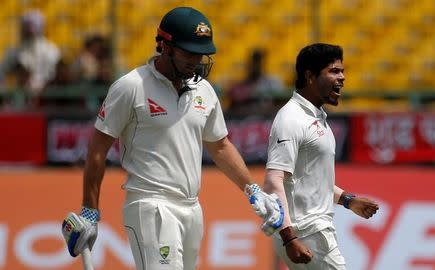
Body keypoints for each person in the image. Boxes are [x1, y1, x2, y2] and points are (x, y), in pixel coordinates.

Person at [61, 7, 283, 270]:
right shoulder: (131, 86)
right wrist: (89, 210)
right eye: (189, 52)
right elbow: (98, 148)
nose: (196, 61)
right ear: (165, 46)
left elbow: (220, 146)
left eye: (201, 54)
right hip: (150, 205)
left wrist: (253, 190)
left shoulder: (205, 90)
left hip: (191, 208)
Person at [263, 43, 379, 269]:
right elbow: (273, 181)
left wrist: (348, 200)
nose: (342, 77)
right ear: (310, 76)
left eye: (342, 71)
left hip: (309, 231)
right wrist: (290, 238)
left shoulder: (316, 118)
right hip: (307, 232)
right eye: (334, 71)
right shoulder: (291, 119)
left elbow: (308, 178)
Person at [0, 10, 61, 94]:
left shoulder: (51, 50)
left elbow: (52, 76)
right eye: (26, 26)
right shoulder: (13, 51)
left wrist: (37, 82)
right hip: (19, 97)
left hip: (46, 97)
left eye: (33, 26)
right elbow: (2, 72)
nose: (29, 30)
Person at [228, 48, 284, 116]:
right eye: (254, 61)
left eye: (258, 61)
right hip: (248, 121)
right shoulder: (242, 85)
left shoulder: (273, 82)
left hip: (266, 120)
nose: (256, 64)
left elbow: (280, 103)